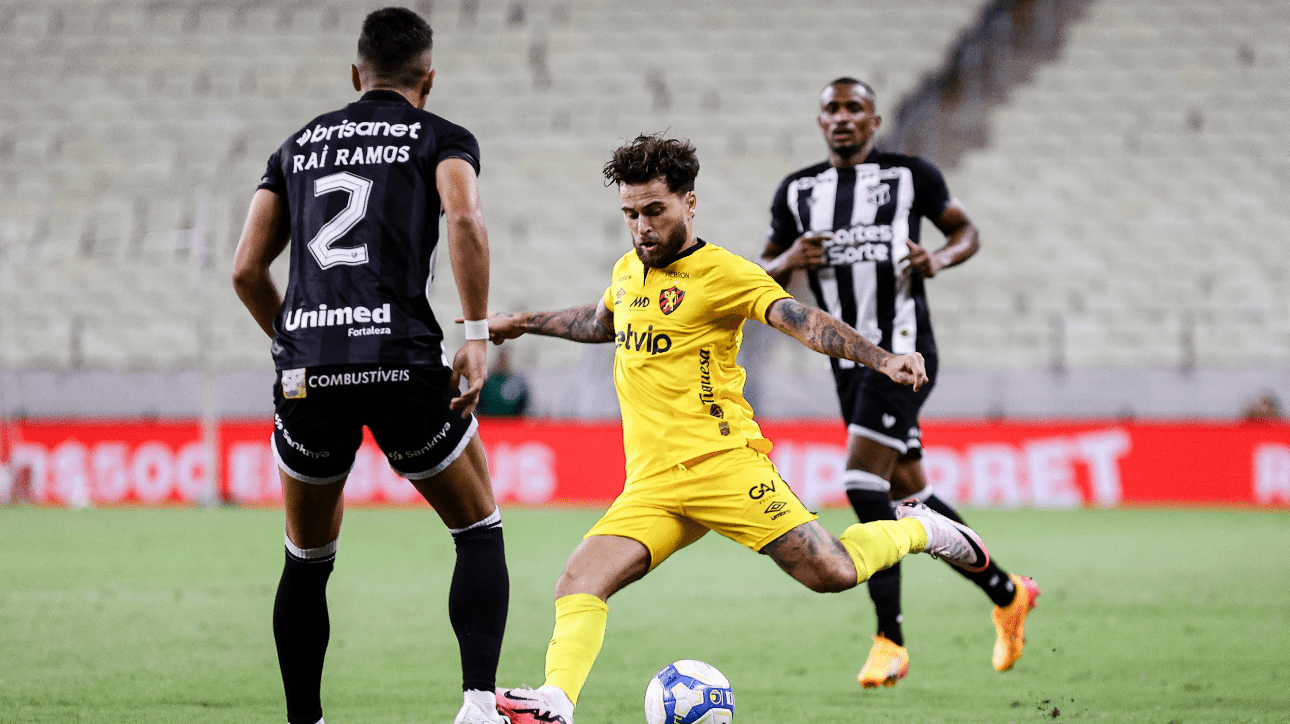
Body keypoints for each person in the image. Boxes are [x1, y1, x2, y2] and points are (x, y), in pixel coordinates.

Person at [480, 134, 991, 724]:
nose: (641, 228)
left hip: (725, 467)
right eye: (630, 214)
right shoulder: (628, 270)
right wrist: (521, 322)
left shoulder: (722, 273)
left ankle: (919, 529)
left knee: (832, 574)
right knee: (577, 583)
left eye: (654, 211)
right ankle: (556, 702)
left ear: (689, 204)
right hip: (651, 485)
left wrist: (880, 359)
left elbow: (800, 320)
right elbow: (600, 322)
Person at [231, 8, 509, 724]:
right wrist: (475, 333)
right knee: (477, 528)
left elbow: (245, 270)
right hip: (402, 360)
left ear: (356, 75)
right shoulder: (440, 136)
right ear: (428, 78)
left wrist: (293, 339)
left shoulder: (296, 146)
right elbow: (465, 217)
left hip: (308, 368)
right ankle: (478, 705)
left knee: (307, 556)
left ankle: (305, 720)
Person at [759, 77, 1039, 687]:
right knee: (909, 494)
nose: (841, 118)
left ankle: (890, 639)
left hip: (905, 354)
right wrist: (787, 263)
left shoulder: (912, 176)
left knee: (863, 481)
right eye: (831, 107)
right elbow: (760, 272)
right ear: (819, 120)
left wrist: (935, 259)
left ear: (873, 120)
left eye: (853, 108)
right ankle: (1007, 590)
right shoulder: (798, 192)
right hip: (844, 363)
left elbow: (966, 231)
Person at [477, 348, 530, 416]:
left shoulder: (517, 383)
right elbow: (478, 402)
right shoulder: (486, 382)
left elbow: (523, 403)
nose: (502, 362)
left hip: (510, 422)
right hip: (489, 421)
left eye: (505, 359)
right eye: (501, 359)